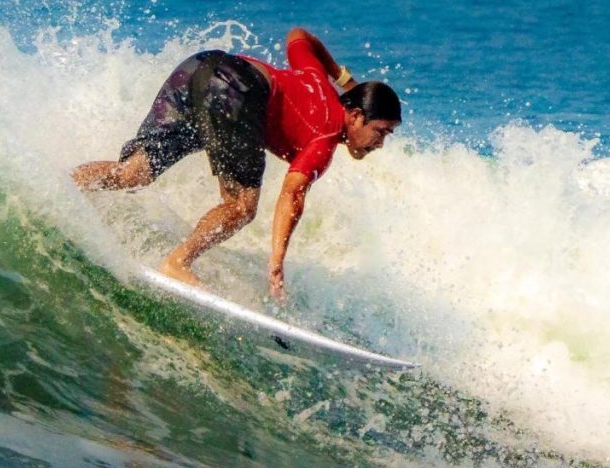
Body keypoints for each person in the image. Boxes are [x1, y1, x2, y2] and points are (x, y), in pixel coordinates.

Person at [72, 28, 401, 300]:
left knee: (134, 172)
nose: (380, 143)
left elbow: (299, 36)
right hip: (235, 90)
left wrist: (344, 79)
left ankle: (62, 186)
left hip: (200, 68)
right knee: (242, 206)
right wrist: (276, 263)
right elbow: (293, 193)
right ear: (356, 117)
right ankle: (177, 262)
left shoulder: (315, 76)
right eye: (380, 132)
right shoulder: (326, 135)